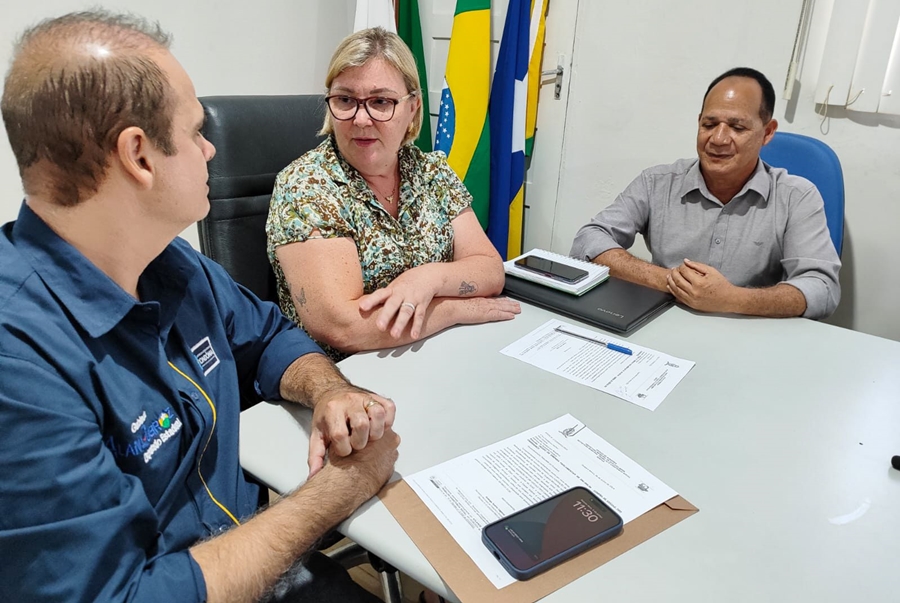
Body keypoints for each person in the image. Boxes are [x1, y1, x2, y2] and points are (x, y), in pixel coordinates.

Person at [0, 11, 400, 603]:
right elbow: (124, 595)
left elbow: (267, 338)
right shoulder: (21, 363)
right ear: (139, 156)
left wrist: (329, 391)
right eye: (193, 132)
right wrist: (337, 491)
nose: (211, 148)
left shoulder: (167, 263)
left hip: (259, 559)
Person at [266, 27, 520, 361]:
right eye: (345, 100)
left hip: (435, 355)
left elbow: (489, 270)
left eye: (381, 102)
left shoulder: (432, 172)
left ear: (413, 107)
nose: (361, 119)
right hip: (345, 380)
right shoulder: (307, 185)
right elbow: (342, 328)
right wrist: (452, 310)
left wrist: (426, 279)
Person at [570, 67, 841, 319]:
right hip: (663, 324)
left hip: (749, 333)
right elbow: (589, 239)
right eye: (709, 125)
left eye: (737, 127)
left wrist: (733, 299)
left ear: (767, 132)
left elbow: (822, 288)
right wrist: (671, 281)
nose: (718, 139)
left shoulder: (797, 196)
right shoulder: (657, 182)